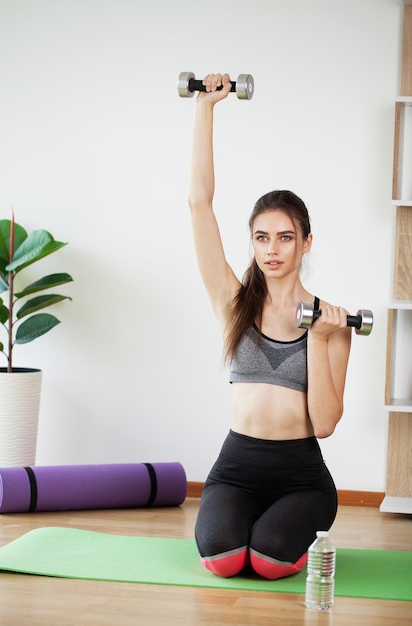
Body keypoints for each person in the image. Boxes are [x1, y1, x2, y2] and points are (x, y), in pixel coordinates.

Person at [188, 73, 352, 581]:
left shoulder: (332, 322)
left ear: (306, 242)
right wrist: (205, 107)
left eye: (285, 237)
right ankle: (244, 522)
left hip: (301, 477)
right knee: (222, 559)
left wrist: (321, 338)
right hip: (235, 467)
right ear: (253, 243)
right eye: (262, 238)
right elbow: (199, 202)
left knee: (268, 560)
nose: (273, 249)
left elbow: (323, 424)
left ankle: (281, 529)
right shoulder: (232, 301)